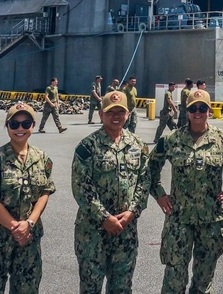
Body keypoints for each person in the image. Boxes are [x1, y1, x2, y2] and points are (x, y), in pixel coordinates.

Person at [148, 89, 223, 293]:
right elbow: (149, 169)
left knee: (203, 281)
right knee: (174, 280)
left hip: (211, 220)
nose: (197, 112)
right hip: (179, 220)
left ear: (209, 110)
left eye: (202, 108)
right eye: (193, 108)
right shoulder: (171, 140)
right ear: (187, 111)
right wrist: (159, 194)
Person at [72, 90, 151, 293]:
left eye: (120, 111)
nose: (116, 116)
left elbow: (144, 182)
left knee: (122, 287)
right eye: (110, 112)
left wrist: (132, 213)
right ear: (101, 114)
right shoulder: (87, 147)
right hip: (93, 232)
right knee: (91, 287)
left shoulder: (138, 146)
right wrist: (105, 218)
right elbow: (81, 187)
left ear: (128, 114)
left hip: (126, 231)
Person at [0, 102, 55, 293]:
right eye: (14, 124)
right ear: (7, 126)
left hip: (29, 241)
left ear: (33, 125)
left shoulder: (42, 158)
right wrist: (15, 227)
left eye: (26, 124)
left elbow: (45, 192)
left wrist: (30, 223)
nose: (20, 129)